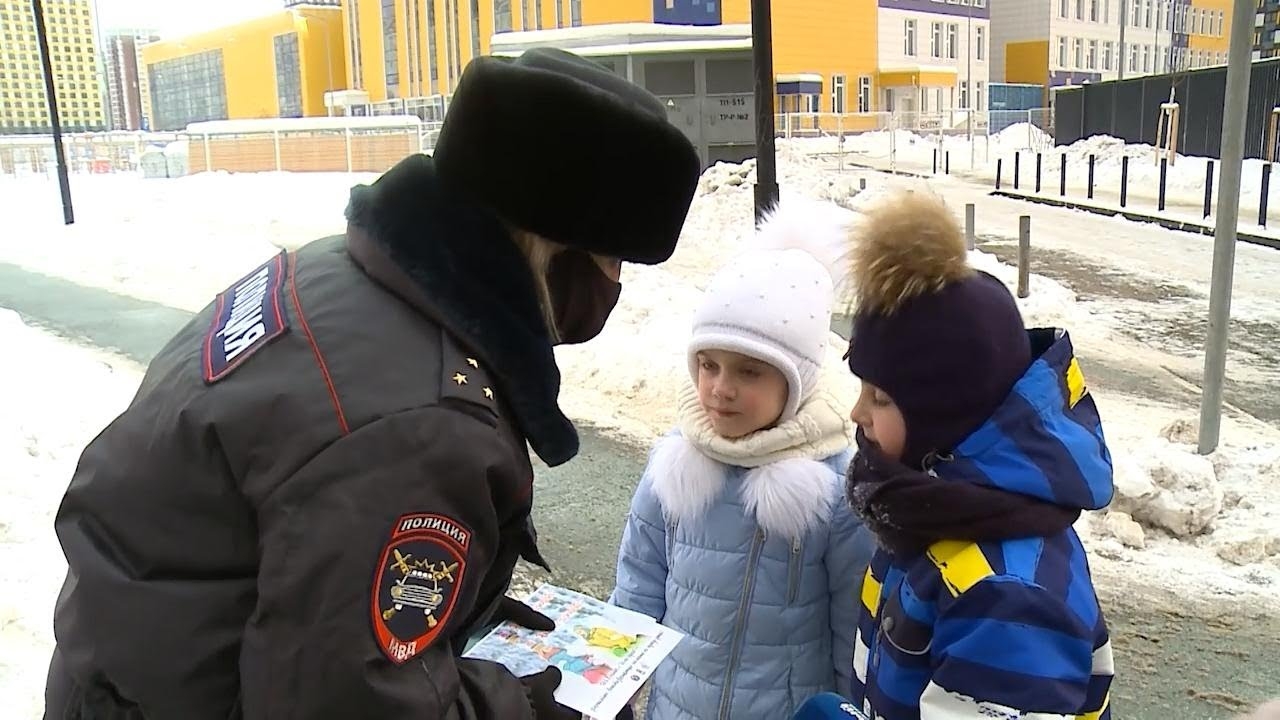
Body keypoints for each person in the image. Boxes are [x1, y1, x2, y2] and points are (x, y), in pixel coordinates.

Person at [43, 48, 700, 719]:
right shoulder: (421, 426)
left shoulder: (340, 271)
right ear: (555, 252)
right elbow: (347, 705)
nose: (615, 285)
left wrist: (449, 611)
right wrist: (523, 707)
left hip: (124, 681)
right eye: (614, 261)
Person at [840, 189, 1115, 719]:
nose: (857, 413)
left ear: (943, 414)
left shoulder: (1007, 596)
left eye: (880, 398)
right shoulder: (927, 513)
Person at [610, 198, 875, 719]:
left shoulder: (832, 490)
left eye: (749, 372)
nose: (720, 389)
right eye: (708, 365)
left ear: (797, 382)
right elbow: (637, 586)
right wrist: (614, 689)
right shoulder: (676, 466)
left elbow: (852, 628)